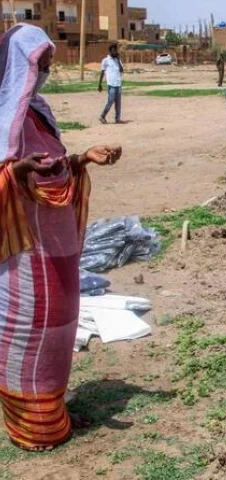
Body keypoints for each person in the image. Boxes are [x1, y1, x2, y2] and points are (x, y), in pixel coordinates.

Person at [0, 24, 122, 452]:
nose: (45, 75)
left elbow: (51, 165)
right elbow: (10, 170)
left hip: (56, 244)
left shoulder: (37, 111)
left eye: (49, 67)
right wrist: (16, 172)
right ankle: (31, 430)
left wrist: (81, 158)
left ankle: (53, 413)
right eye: (39, 68)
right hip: (21, 253)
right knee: (27, 330)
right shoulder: (1, 117)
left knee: (59, 328)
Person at [98, 44, 124, 124]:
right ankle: (102, 116)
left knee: (118, 103)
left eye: (116, 50)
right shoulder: (105, 60)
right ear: (110, 51)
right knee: (110, 101)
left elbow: (121, 70)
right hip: (111, 85)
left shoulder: (117, 60)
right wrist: (100, 84)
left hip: (118, 84)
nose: (115, 52)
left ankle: (117, 118)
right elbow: (102, 72)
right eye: (113, 50)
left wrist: (119, 60)